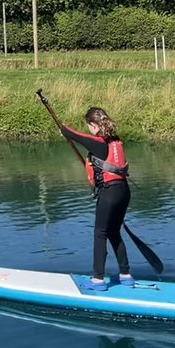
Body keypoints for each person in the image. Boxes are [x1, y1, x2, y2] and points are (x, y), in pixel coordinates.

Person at [56, 106, 133, 291]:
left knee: (100, 234)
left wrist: (63, 129)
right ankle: (126, 275)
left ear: (93, 125)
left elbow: (74, 135)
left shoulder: (99, 143)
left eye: (89, 126)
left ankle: (98, 280)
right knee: (114, 232)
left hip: (109, 193)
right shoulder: (116, 140)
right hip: (123, 192)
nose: (89, 129)